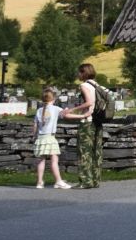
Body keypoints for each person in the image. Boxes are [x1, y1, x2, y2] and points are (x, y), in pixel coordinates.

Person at [66, 61, 105, 189]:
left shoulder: (84, 85)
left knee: (84, 152)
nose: (78, 74)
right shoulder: (96, 84)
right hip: (98, 121)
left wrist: (72, 110)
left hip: (87, 121)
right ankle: (95, 180)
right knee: (96, 151)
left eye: (79, 72)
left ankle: (85, 181)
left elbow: (89, 102)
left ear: (83, 73)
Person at [33, 86, 73, 190]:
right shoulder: (56, 109)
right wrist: (68, 109)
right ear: (53, 99)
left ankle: (39, 182)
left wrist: (34, 137)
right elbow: (66, 114)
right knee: (54, 160)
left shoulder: (39, 110)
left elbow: (35, 126)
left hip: (40, 138)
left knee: (41, 161)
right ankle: (59, 181)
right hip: (50, 138)